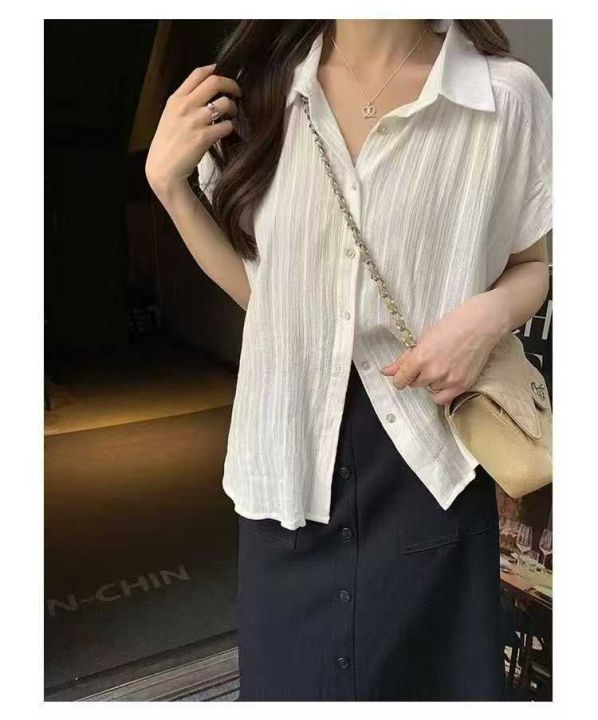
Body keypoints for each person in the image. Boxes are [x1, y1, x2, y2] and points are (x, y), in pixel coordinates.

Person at [146, 19, 552, 701]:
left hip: (428, 465)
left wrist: (484, 319)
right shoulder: (259, 96)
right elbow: (267, 298)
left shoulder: (502, 98)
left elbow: (532, 265)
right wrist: (169, 188)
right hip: (288, 465)